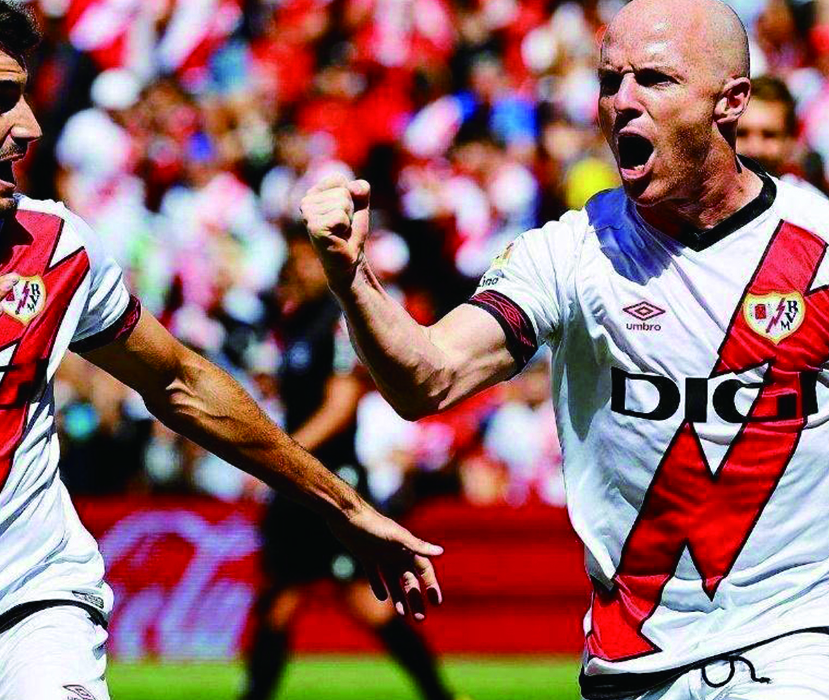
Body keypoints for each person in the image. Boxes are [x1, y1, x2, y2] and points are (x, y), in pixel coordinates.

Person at [0, 1, 443, 698]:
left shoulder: (55, 246)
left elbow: (181, 382)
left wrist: (345, 509)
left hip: (30, 616)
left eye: (25, 97)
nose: (30, 127)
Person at [302, 0, 829, 698]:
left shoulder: (818, 246)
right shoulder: (570, 254)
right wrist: (352, 278)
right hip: (633, 661)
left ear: (729, 101)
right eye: (611, 81)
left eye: (655, 79)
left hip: (798, 642)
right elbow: (426, 380)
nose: (623, 102)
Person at [242, 232, 457, 700]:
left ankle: (440, 694)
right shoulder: (293, 324)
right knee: (279, 599)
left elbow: (340, 406)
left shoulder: (337, 322)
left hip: (332, 480)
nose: (298, 270)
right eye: (294, 261)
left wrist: (276, 453)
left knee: (363, 601)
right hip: (296, 481)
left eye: (306, 261)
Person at [735, 74, 824, 191]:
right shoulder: (709, 198)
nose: (755, 149)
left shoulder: (811, 201)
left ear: (790, 140)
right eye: (741, 134)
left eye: (769, 135)